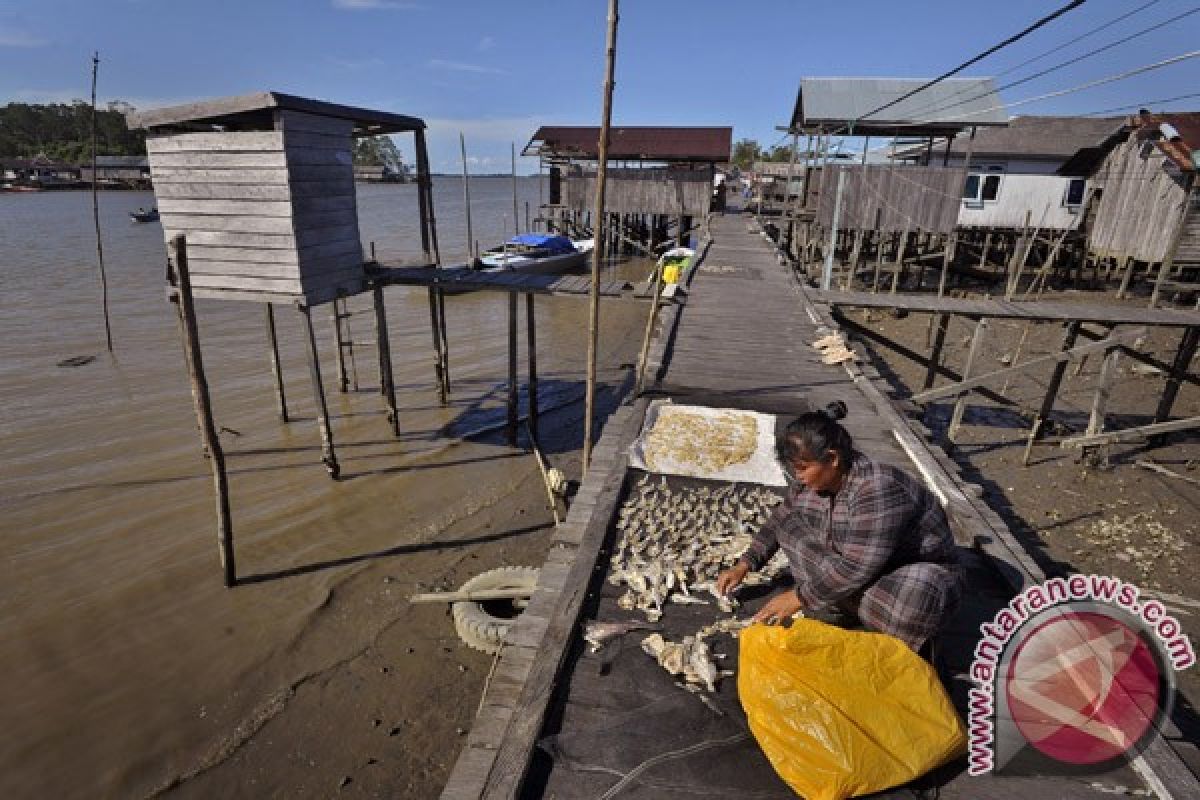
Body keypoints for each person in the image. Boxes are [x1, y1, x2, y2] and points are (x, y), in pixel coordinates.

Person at [716, 401, 964, 652]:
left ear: (832, 458)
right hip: (858, 569)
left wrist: (798, 597)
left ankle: (873, 620)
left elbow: (858, 567)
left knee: (916, 594)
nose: (797, 476)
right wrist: (745, 564)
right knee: (790, 526)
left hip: (901, 574)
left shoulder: (875, 488)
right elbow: (781, 517)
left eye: (802, 468)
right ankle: (844, 603)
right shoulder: (811, 482)